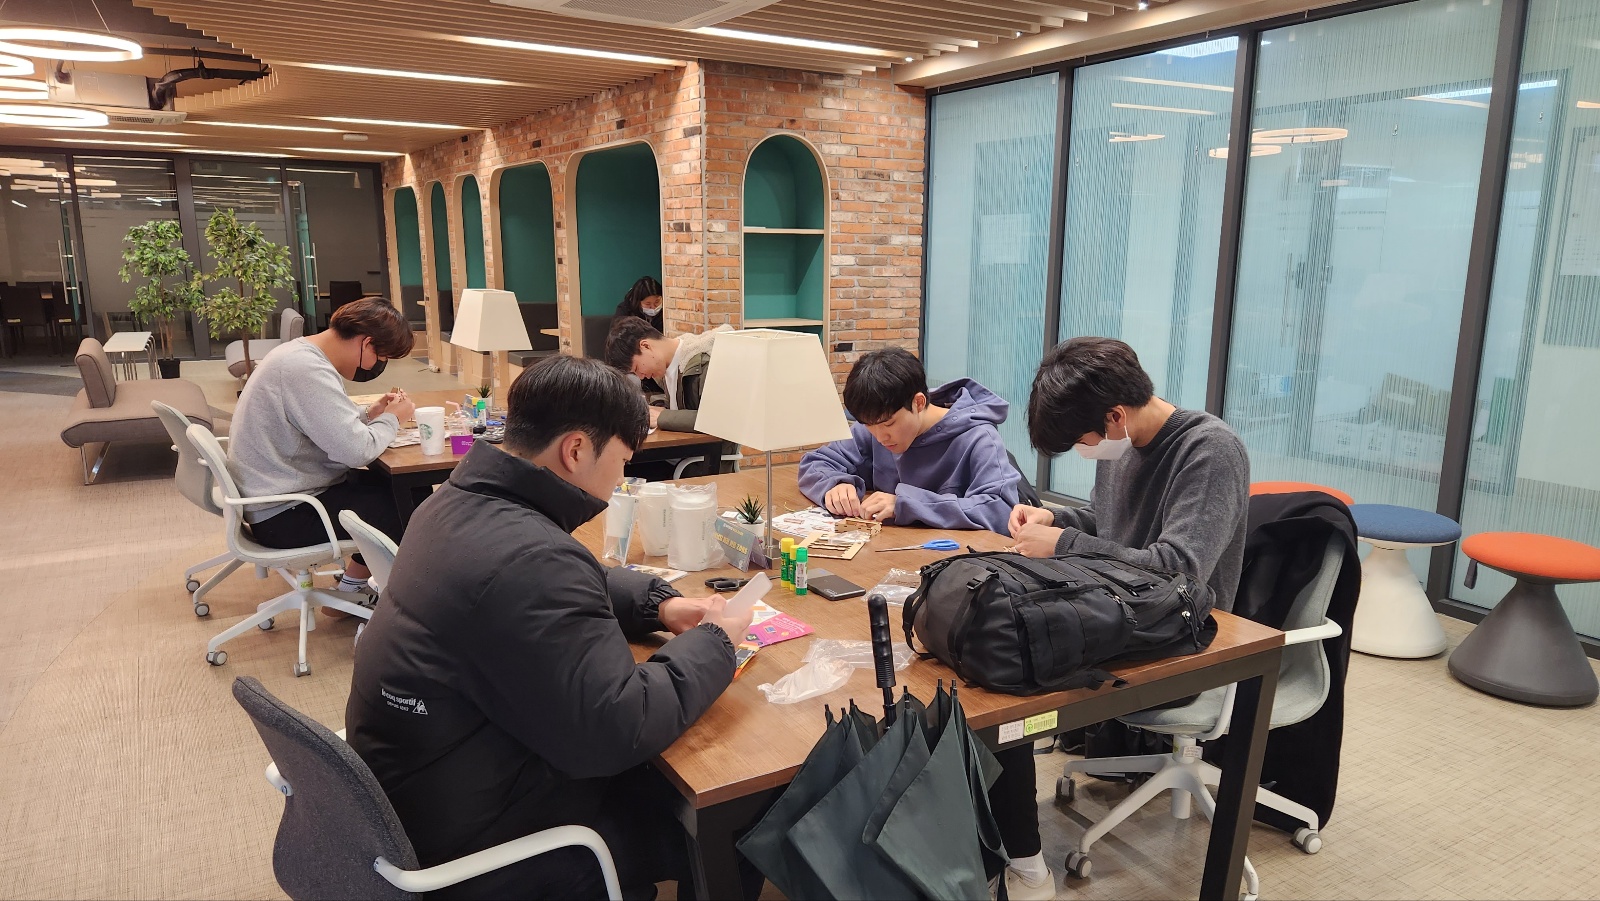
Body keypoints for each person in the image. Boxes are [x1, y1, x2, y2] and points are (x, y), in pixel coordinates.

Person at [346, 355, 754, 900]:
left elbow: (570, 580)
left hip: (423, 788)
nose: (621, 478)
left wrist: (659, 605)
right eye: (622, 460)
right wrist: (717, 642)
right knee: (727, 815)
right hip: (483, 844)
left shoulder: (456, 503)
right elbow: (618, 726)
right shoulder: (532, 558)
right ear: (577, 449)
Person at [988, 336, 1250, 900]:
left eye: (1081, 441)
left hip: (1183, 637)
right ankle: (991, 843)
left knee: (1004, 686)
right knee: (991, 643)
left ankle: (1024, 864)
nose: (1084, 452)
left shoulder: (1210, 452)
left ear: (1114, 416)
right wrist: (1056, 518)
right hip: (1123, 613)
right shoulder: (1125, 443)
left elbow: (1178, 571)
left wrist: (1063, 544)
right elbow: (1108, 528)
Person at [229, 297, 417, 595]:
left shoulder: (299, 354)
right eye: (381, 357)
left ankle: (352, 587)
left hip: (279, 494)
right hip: (286, 513)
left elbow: (317, 421)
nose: (379, 365)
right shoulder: (306, 369)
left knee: (408, 488)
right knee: (408, 508)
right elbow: (356, 451)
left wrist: (370, 414)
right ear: (367, 343)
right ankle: (375, 596)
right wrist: (393, 419)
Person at [797, 347, 1020, 533]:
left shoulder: (979, 438)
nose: (880, 437)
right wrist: (836, 485)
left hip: (951, 561)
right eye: (869, 425)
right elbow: (816, 463)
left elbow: (1001, 510)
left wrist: (907, 504)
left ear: (919, 403)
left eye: (889, 424)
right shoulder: (875, 425)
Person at [603, 317, 731, 433]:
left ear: (645, 346)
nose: (641, 376)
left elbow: (719, 419)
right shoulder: (667, 369)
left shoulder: (705, 363)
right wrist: (657, 407)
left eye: (637, 368)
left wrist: (662, 417)